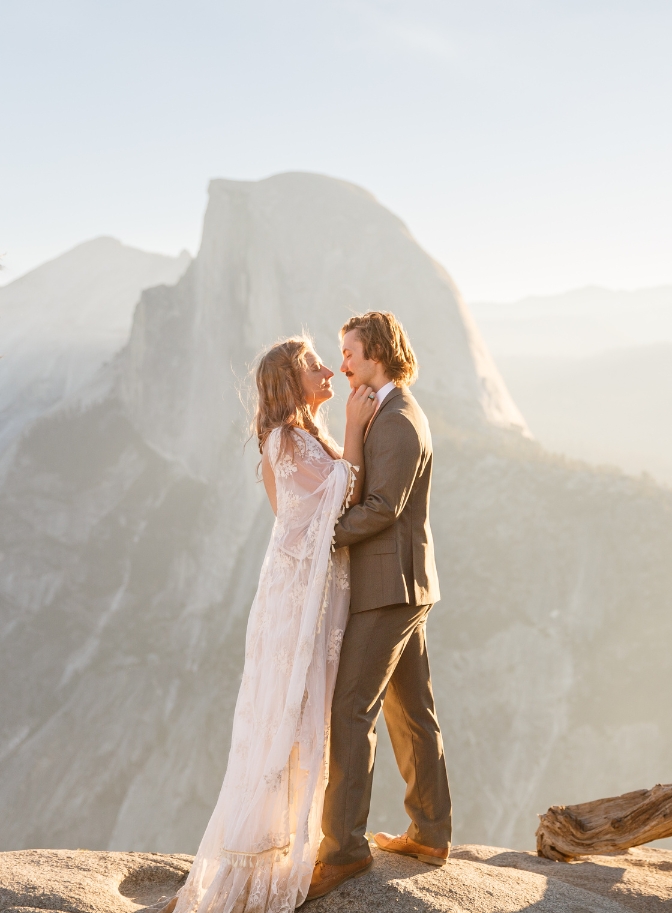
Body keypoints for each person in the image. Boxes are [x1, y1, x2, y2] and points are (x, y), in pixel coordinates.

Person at [166, 337, 376, 913]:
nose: (328, 369)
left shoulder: (300, 437)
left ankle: (284, 843)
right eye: (314, 365)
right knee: (292, 708)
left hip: (312, 591)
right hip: (296, 602)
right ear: (290, 381)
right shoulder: (285, 439)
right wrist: (357, 425)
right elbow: (345, 492)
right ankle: (261, 855)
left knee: (308, 708)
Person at [306, 311, 452, 902]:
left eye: (349, 353)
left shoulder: (397, 422)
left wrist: (320, 535)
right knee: (410, 710)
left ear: (379, 355)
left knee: (350, 711)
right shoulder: (389, 412)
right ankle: (430, 832)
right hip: (404, 583)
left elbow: (382, 507)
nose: (341, 364)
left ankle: (343, 851)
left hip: (388, 587)